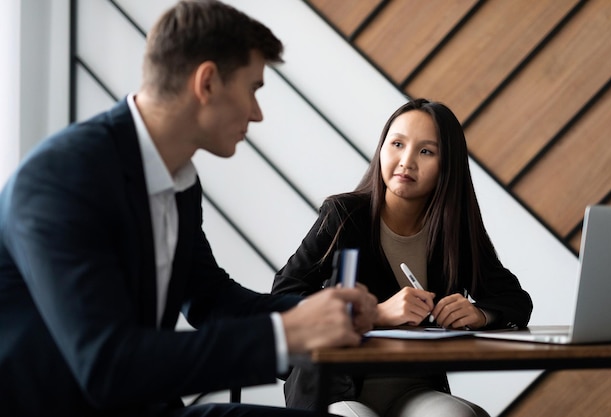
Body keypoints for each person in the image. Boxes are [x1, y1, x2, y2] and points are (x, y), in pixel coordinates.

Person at [0, 1, 378, 416]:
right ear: (208, 82)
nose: (257, 113)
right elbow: (106, 366)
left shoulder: (179, 181)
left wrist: (318, 313)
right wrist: (284, 335)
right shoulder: (61, 178)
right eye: (253, 88)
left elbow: (211, 301)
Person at [272, 98, 533, 417]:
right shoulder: (344, 216)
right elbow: (284, 296)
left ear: (447, 164)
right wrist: (375, 315)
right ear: (382, 148)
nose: (406, 161)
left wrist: (481, 314)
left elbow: (515, 300)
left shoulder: (454, 233)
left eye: (426, 151)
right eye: (397, 144)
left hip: (414, 389)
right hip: (334, 389)